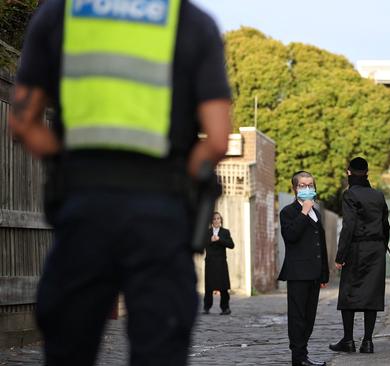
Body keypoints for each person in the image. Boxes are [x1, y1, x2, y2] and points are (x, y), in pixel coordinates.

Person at [8, 0, 232, 364]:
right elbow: (219, 139)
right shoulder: (191, 22)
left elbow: (21, 122)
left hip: (83, 208)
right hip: (161, 213)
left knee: (68, 348)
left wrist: (69, 164)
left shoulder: (59, 14)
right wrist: (180, 180)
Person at [329, 157, 390, 354]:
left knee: (349, 292)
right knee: (372, 293)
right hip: (376, 250)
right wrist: (382, 246)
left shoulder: (349, 195)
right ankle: (368, 341)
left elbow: (348, 226)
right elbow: (385, 225)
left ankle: (348, 340)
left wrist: (340, 255)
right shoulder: (378, 195)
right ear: (366, 173)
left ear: (349, 173)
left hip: (356, 249)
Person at [278, 171, 329, 366]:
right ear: (295, 189)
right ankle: (298, 358)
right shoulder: (288, 212)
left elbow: (320, 244)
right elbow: (290, 236)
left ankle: (303, 354)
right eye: (303, 185)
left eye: (310, 185)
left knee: (309, 317)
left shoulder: (316, 212)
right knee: (298, 317)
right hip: (298, 273)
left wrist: (324, 273)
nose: (307, 189)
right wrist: (304, 211)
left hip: (314, 274)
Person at [203, 212, 234, 315]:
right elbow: (201, 244)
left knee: (223, 286)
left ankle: (225, 308)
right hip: (210, 262)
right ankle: (206, 307)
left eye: (218, 219)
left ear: (221, 220)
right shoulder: (207, 232)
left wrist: (220, 240)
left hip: (221, 263)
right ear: (211, 221)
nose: (216, 221)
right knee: (209, 287)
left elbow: (231, 245)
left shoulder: (225, 232)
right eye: (214, 219)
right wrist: (210, 240)